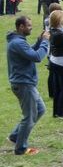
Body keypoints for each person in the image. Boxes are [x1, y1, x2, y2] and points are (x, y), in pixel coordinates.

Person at [6, 16, 50, 155]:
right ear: (21, 27)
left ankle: (15, 136)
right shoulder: (17, 43)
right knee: (29, 116)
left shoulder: (18, 41)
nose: (31, 27)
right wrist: (44, 42)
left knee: (40, 109)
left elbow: (29, 53)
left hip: (26, 83)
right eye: (29, 25)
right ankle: (21, 148)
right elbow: (37, 57)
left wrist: (38, 41)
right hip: (23, 84)